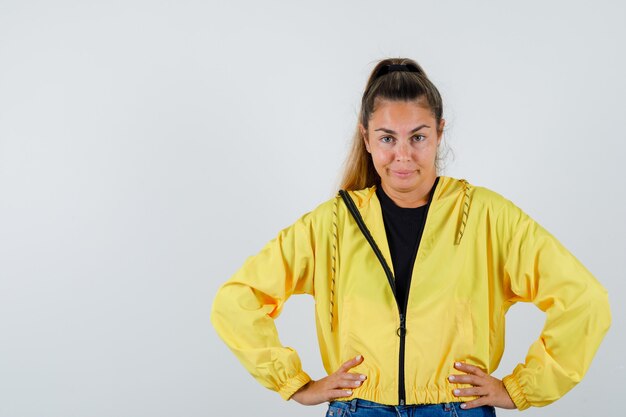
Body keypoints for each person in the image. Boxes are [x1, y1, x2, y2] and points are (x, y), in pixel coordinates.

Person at [211, 58, 611, 416]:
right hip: (361, 408)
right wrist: (295, 384)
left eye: (417, 137)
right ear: (366, 139)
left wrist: (521, 389)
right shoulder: (331, 224)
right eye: (387, 138)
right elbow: (236, 301)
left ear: (439, 133)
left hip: (457, 409)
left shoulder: (488, 217)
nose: (402, 155)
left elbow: (584, 300)